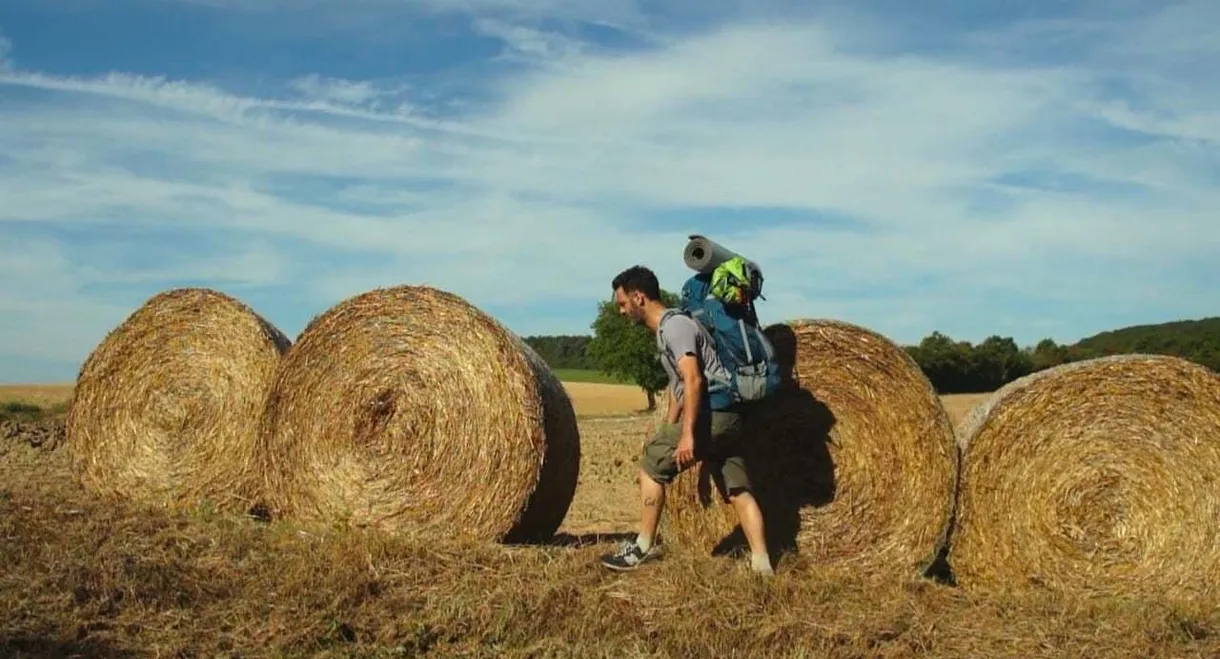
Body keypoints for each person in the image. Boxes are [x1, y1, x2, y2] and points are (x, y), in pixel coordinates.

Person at [598, 265, 773, 576]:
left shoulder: (674, 327)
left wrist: (687, 435)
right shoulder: (678, 325)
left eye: (622, 304)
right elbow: (680, 389)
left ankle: (641, 547)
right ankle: (763, 566)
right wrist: (669, 426)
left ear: (639, 298)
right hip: (731, 417)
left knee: (651, 468)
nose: (622, 311)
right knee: (737, 491)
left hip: (713, 414)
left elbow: (693, 381)